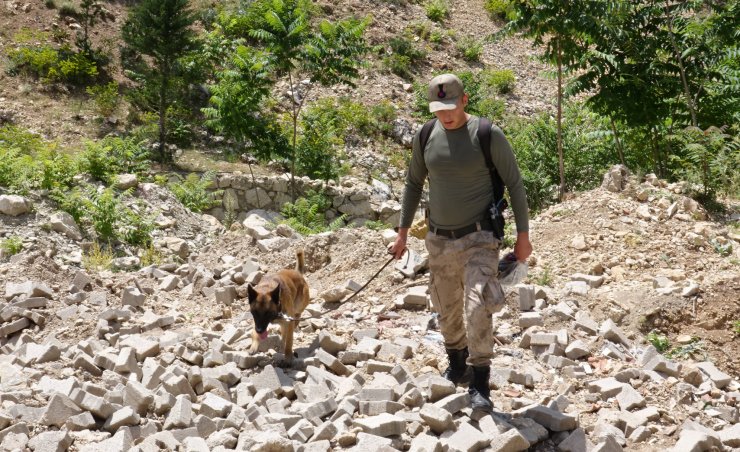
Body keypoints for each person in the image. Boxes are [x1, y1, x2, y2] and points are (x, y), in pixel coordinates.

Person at [389, 73, 532, 412]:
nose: (446, 115)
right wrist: (402, 232)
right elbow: (412, 184)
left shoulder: (486, 134)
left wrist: (523, 237)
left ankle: (481, 380)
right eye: (439, 109)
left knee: (479, 303)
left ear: (464, 100)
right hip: (439, 240)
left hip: (480, 237)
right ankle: (457, 363)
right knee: (446, 306)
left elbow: (515, 184)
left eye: (451, 107)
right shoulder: (426, 135)